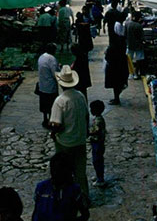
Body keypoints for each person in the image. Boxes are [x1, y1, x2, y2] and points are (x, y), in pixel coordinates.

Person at [48, 64, 89, 198]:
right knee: (80, 172)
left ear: (61, 84)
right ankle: (84, 197)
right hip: (80, 140)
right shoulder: (80, 96)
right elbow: (86, 116)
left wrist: (53, 132)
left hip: (65, 142)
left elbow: (57, 124)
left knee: (64, 171)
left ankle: (66, 198)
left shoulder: (60, 101)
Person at [37, 43, 59, 128]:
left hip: (42, 84)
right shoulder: (52, 59)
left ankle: (45, 119)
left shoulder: (41, 57)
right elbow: (55, 73)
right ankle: (51, 120)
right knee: (51, 104)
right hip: (50, 85)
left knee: (44, 104)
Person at [89, 100, 106, 187]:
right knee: (97, 160)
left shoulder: (97, 121)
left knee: (97, 160)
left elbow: (93, 131)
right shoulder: (99, 119)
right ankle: (99, 176)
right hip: (98, 142)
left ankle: (100, 179)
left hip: (97, 143)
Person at [124, 10, 145, 79]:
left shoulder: (127, 24)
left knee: (129, 59)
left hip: (129, 45)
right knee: (139, 59)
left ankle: (130, 73)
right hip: (138, 46)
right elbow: (142, 37)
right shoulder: (139, 26)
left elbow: (125, 35)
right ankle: (136, 73)